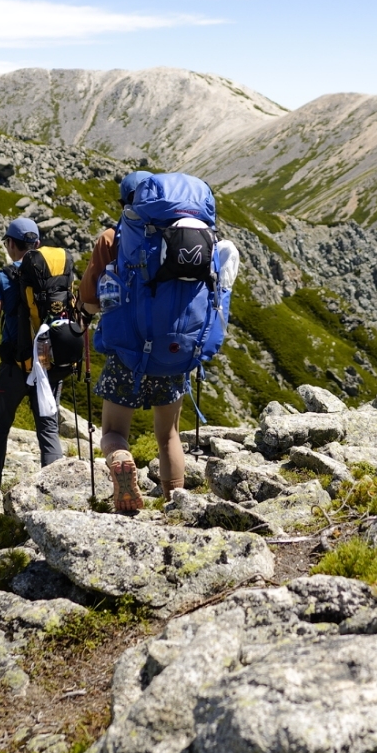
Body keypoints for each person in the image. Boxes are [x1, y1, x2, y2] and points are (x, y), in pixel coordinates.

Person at [83, 171, 238, 514]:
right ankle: (176, 502)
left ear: (126, 204)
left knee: (112, 430)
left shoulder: (112, 238)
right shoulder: (190, 233)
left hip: (128, 353)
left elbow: (91, 302)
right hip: (175, 352)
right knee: (168, 435)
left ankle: (121, 459)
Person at [0, 215, 63, 484]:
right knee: (48, 429)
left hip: (14, 366)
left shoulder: (1, 277)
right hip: (48, 364)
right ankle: (57, 492)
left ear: (11, 244)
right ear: (36, 243)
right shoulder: (55, 270)